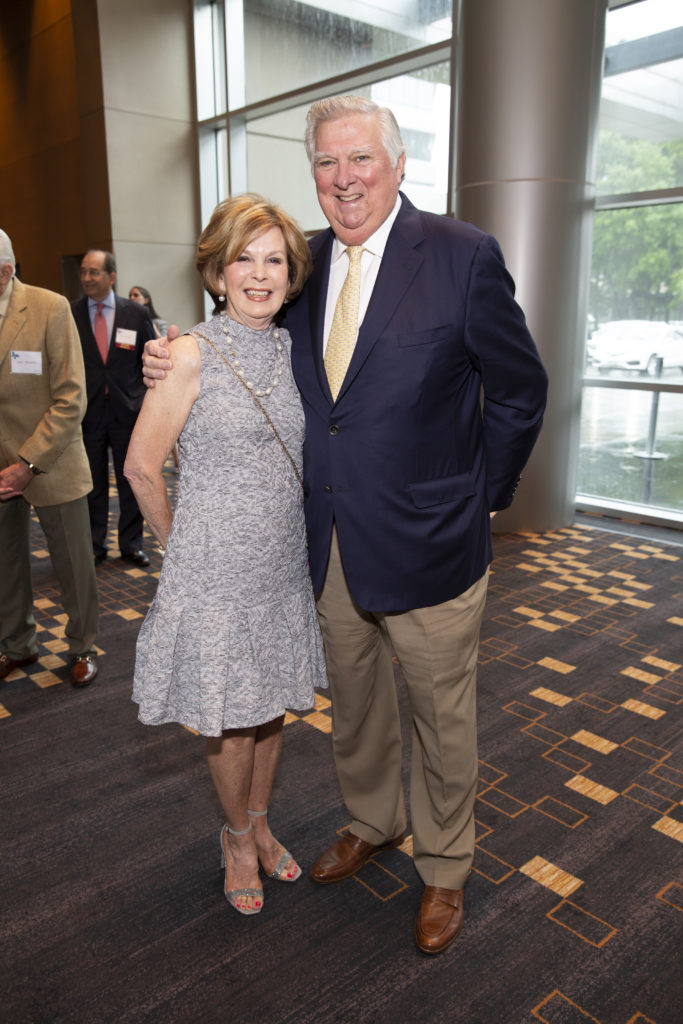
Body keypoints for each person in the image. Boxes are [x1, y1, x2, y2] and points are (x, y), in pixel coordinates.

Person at [144, 96, 548, 953]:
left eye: (359, 159)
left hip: (435, 543)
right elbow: (240, 334)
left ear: (397, 163)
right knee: (357, 709)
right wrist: (167, 351)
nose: (343, 178)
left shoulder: (461, 254)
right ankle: (372, 821)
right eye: (326, 163)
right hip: (323, 549)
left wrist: (484, 497)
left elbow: (518, 388)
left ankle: (444, 867)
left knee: (442, 720)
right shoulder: (303, 264)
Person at [124, 195, 327, 916]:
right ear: (215, 271)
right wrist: (184, 548)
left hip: (280, 563)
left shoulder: (293, 346)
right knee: (230, 716)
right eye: (243, 258)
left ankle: (264, 821)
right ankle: (236, 837)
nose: (260, 274)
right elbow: (142, 467)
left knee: (270, 707)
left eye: (275, 259)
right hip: (214, 570)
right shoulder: (184, 355)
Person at [0, 229, 99, 687]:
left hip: (50, 460)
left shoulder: (49, 308)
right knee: (7, 565)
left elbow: (70, 399)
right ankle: (17, 645)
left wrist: (27, 465)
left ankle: (82, 647)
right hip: (1, 474)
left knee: (73, 567)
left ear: (5, 271)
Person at [72, 251, 156, 567]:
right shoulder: (71, 313)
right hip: (88, 412)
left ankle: (131, 544)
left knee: (129, 480)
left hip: (127, 411)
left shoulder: (135, 313)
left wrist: (145, 403)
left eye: (94, 272)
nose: (87, 278)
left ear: (111, 276)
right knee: (91, 482)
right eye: (83, 272)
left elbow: (148, 359)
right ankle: (95, 545)